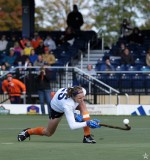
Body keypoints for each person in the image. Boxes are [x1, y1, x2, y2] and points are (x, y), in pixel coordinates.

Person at [17, 86, 100, 143]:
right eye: (79, 98)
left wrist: (85, 119)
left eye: (83, 97)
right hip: (56, 109)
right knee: (48, 132)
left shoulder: (81, 91)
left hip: (64, 104)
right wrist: (87, 123)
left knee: (82, 106)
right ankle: (28, 132)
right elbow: (72, 126)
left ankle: (87, 136)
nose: (82, 99)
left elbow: (80, 101)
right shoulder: (67, 104)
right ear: (73, 97)